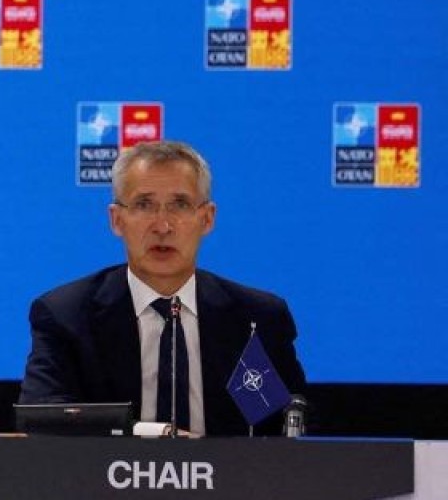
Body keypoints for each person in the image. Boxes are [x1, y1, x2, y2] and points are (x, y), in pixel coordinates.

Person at [19, 140, 306, 436]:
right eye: (144, 205)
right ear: (116, 220)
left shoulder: (254, 319)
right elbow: (44, 420)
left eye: (180, 205)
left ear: (207, 218)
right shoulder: (67, 316)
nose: (162, 226)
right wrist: (154, 434)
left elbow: (287, 427)